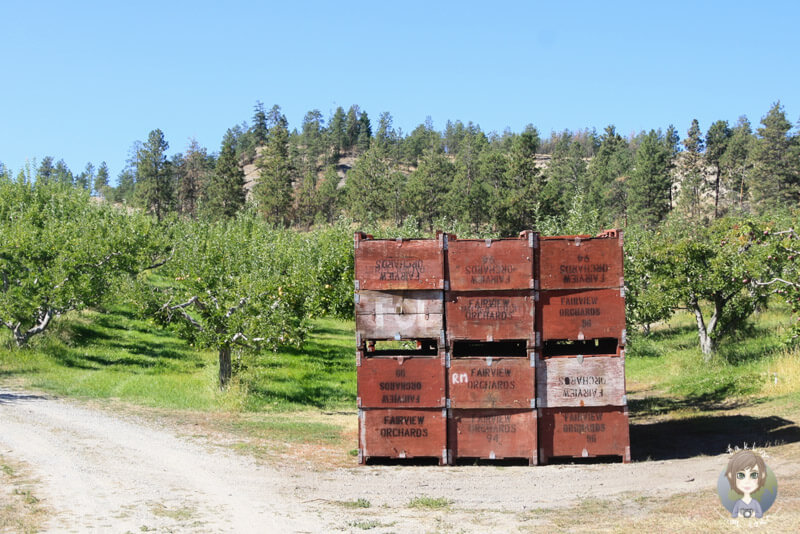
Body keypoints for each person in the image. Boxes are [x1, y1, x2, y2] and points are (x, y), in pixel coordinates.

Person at [725, 450, 767, 518]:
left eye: (754, 475)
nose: (747, 481)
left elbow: (760, 514)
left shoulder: (755, 503)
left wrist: (753, 514)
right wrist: (740, 515)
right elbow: (734, 515)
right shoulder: (738, 503)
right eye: (741, 475)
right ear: (731, 476)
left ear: (762, 475)